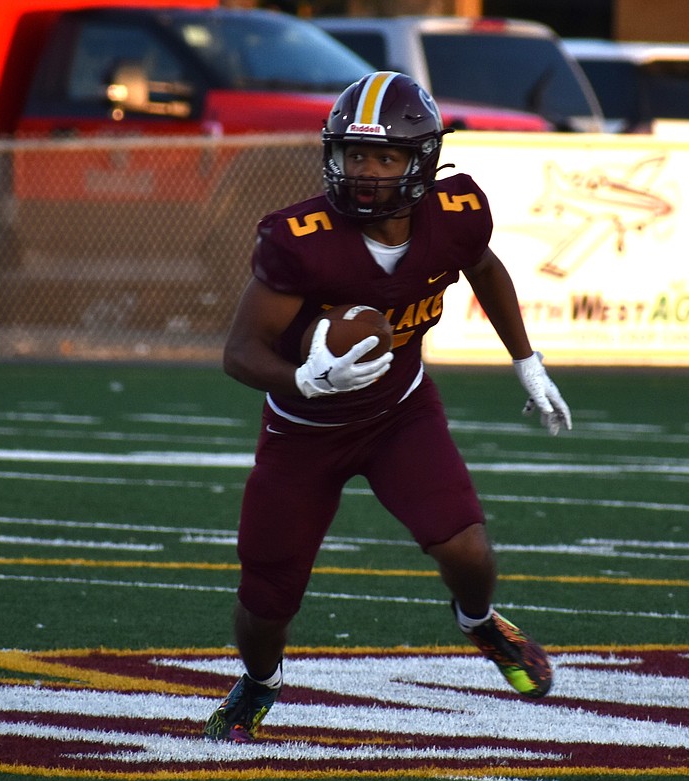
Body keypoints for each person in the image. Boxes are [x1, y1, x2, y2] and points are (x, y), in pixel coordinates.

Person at [202, 71, 572, 743]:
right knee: (266, 599)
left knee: (468, 548)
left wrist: (526, 359)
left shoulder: (455, 215)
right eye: (354, 154)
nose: (366, 171)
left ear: (421, 160)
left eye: (385, 156)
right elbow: (238, 351)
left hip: (399, 413)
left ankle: (480, 621)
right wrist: (303, 378)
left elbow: (484, 268)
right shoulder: (302, 238)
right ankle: (260, 681)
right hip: (303, 433)